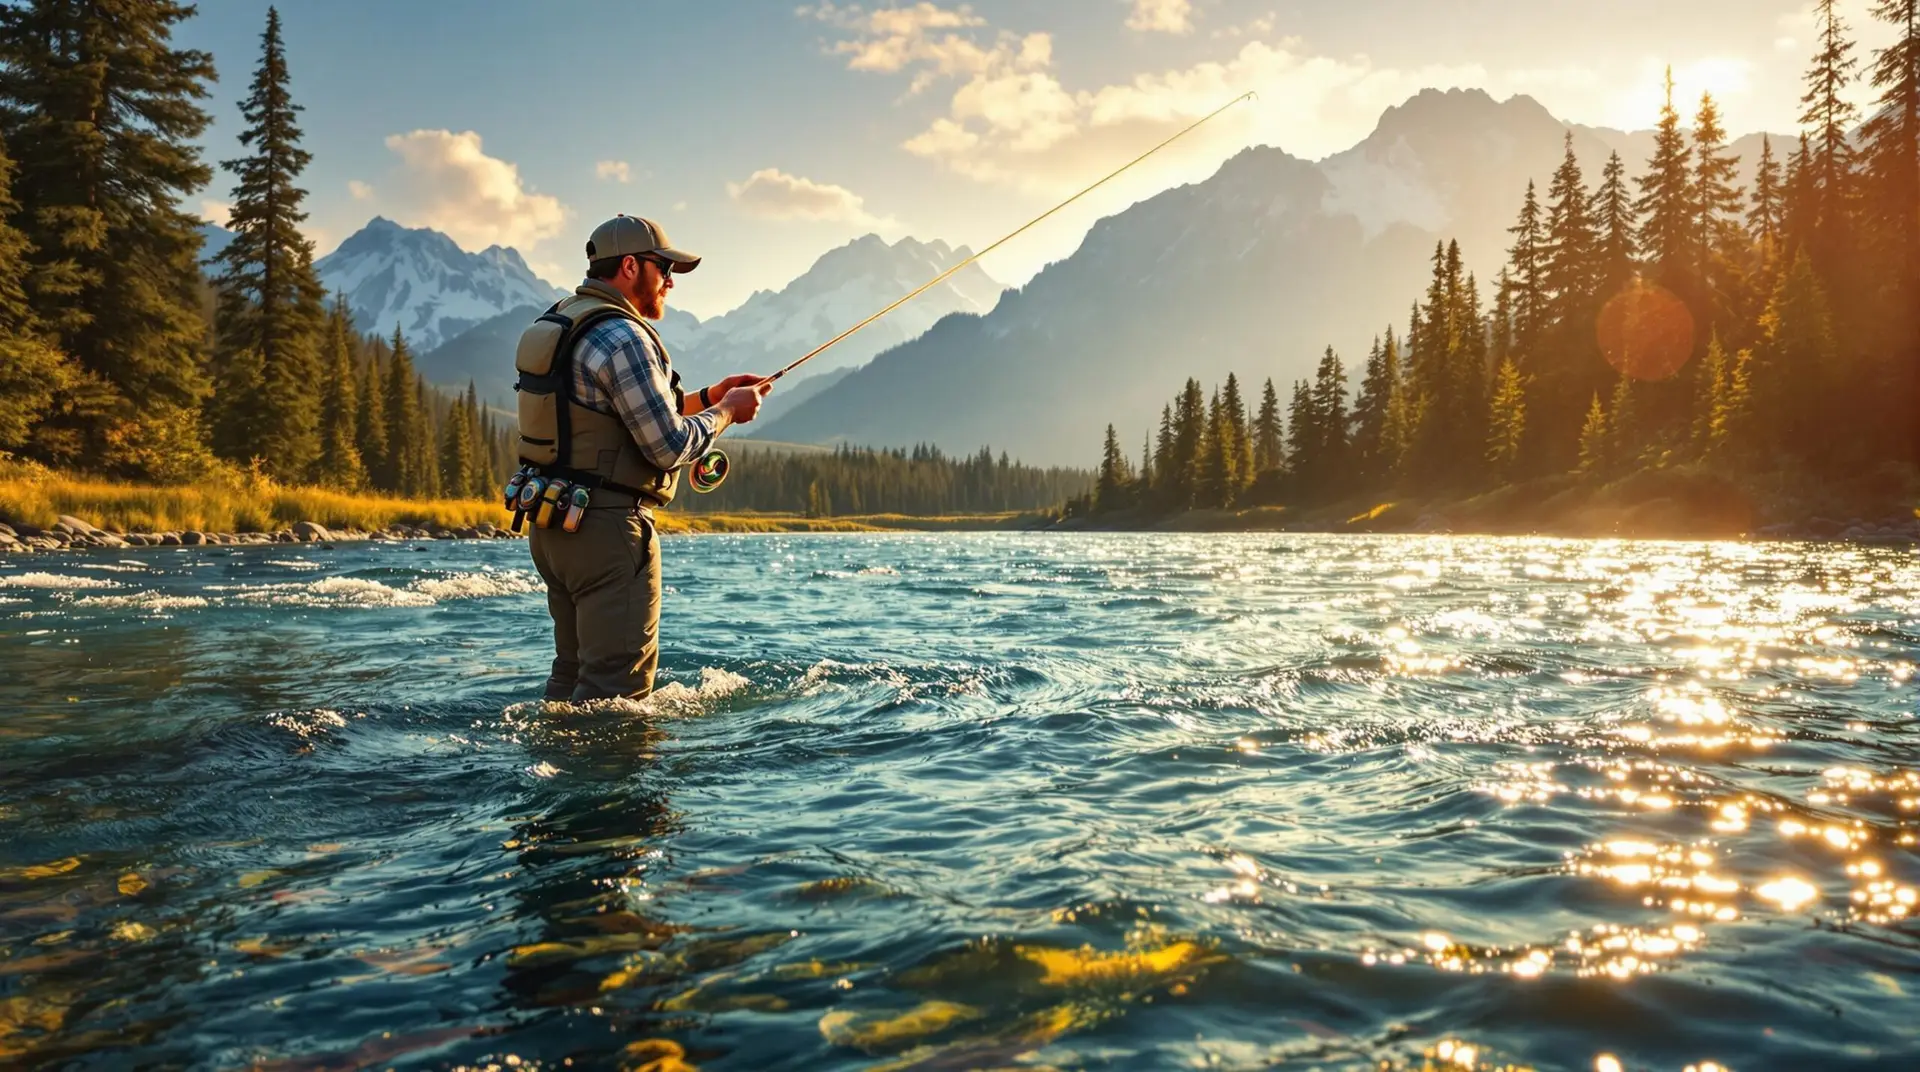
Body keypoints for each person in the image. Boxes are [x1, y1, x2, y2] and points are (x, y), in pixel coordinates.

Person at [516, 214, 768, 701]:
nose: (670, 282)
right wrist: (726, 415)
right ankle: (612, 778)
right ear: (630, 266)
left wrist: (711, 395)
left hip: (554, 525)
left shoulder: (565, 320)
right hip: (608, 531)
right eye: (663, 269)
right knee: (616, 693)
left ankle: (551, 770)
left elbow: (616, 414)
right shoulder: (624, 336)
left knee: (571, 676)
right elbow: (668, 446)